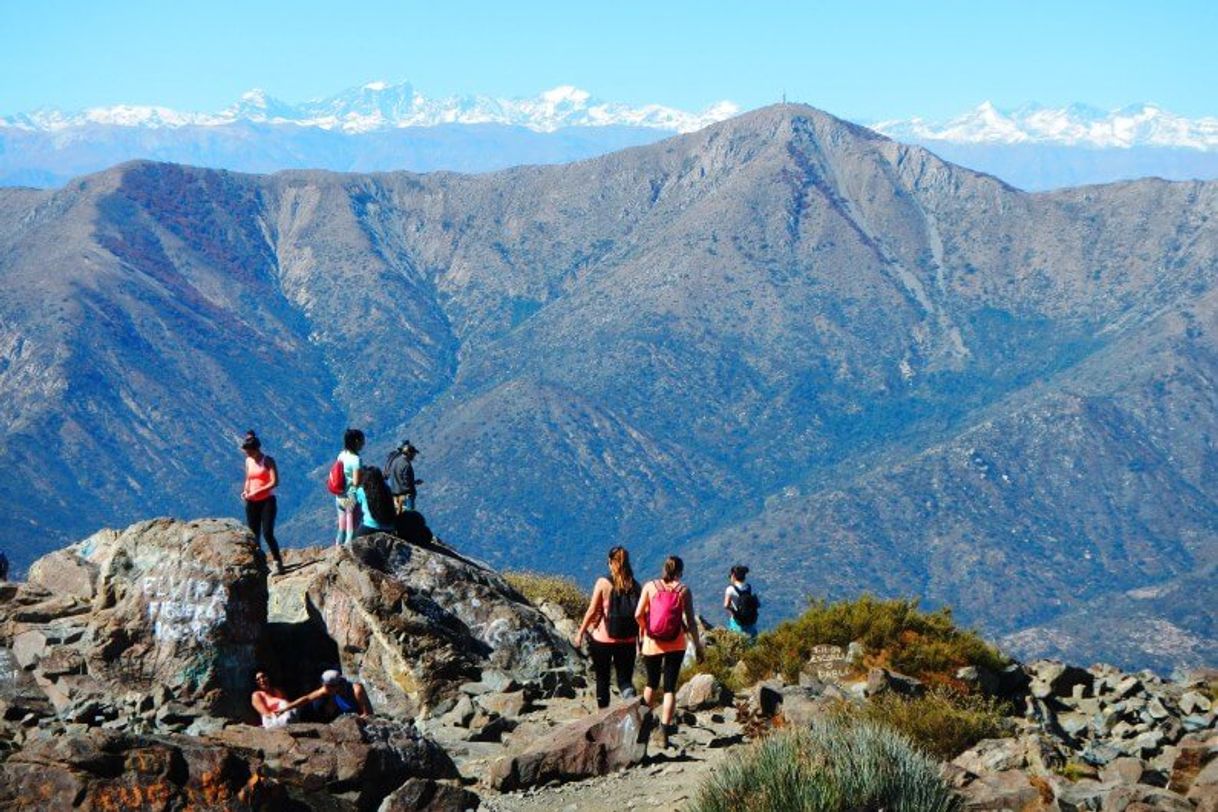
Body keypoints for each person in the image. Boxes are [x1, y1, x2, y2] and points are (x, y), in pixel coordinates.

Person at [635, 555, 703, 748]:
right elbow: (691, 623)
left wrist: (647, 629)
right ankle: (664, 731)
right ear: (680, 571)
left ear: (664, 569)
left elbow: (638, 614)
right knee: (670, 687)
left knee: (651, 683)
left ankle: (642, 728)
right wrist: (697, 646)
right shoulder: (684, 591)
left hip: (652, 642)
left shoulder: (650, 587)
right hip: (676, 643)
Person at [572, 546, 640, 709]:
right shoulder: (636, 585)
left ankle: (603, 715)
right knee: (624, 680)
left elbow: (592, 610)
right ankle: (631, 704)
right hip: (628, 639)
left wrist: (580, 633)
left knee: (603, 678)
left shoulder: (603, 583)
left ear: (610, 562)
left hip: (603, 639)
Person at [240, 430, 285, 574]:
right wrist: (246, 491)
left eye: (248, 451)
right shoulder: (248, 461)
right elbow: (249, 478)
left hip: (267, 501)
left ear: (255, 449)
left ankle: (277, 562)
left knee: (267, 533)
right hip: (252, 502)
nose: (247, 454)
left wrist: (257, 492)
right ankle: (259, 564)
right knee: (254, 535)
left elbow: (274, 481)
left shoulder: (267, 461)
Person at [284, 669, 372, 720]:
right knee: (316, 706)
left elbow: (367, 715)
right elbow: (307, 699)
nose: (324, 689)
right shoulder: (329, 689)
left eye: (326, 687)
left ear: (335, 686)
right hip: (345, 713)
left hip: (358, 716)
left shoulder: (356, 691)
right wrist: (287, 708)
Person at [335, 429, 365, 546]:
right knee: (351, 530)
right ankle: (348, 553)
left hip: (339, 495)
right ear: (357, 441)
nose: (364, 443)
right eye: (362, 440)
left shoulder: (342, 455)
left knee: (341, 528)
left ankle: (337, 548)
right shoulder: (356, 460)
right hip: (351, 496)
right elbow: (356, 482)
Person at [353, 466, 397, 538]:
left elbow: (357, 503)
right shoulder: (387, 488)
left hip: (369, 526)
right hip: (388, 527)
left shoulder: (362, 491)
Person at [384, 440, 423, 513]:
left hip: (393, 492)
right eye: (413, 454)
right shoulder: (405, 463)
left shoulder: (393, 459)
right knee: (409, 516)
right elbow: (405, 481)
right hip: (404, 495)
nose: (414, 456)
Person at [724, 564, 761, 638]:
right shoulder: (748, 587)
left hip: (737, 620)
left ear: (733, 576)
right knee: (752, 639)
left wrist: (733, 612)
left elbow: (726, 605)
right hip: (750, 618)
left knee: (737, 638)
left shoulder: (730, 589)